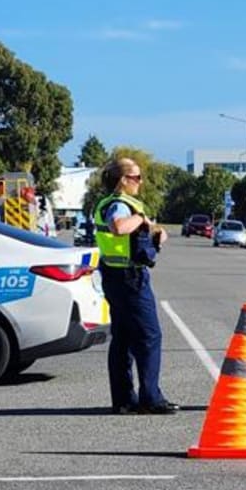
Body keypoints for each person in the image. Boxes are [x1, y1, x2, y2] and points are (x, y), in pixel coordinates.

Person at [93, 158, 178, 415]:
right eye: (136, 177)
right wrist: (140, 218)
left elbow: (139, 232)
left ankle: (123, 400)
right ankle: (151, 398)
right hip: (130, 278)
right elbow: (118, 227)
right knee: (149, 336)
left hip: (115, 275)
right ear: (123, 180)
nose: (140, 182)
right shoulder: (120, 205)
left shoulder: (111, 203)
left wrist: (155, 233)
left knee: (123, 338)